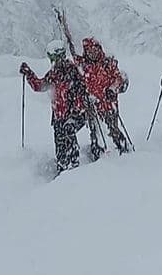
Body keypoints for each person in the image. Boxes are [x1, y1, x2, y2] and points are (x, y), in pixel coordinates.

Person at [20, 40, 87, 174]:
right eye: (52, 59)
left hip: (74, 115)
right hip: (58, 116)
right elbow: (39, 86)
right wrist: (29, 74)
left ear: (62, 56)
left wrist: (76, 111)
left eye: (56, 58)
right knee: (60, 141)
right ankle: (62, 168)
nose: (55, 62)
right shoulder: (54, 74)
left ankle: (74, 166)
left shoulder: (72, 71)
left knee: (69, 134)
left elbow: (82, 91)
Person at [73, 37, 131, 154]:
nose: (92, 53)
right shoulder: (83, 65)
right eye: (89, 51)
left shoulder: (107, 63)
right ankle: (98, 153)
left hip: (109, 104)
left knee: (113, 129)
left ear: (99, 49)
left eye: (94, 50)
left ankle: (123, 149)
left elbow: (118, 79)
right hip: (92, 105)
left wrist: (112, 89)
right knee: (95, 130)